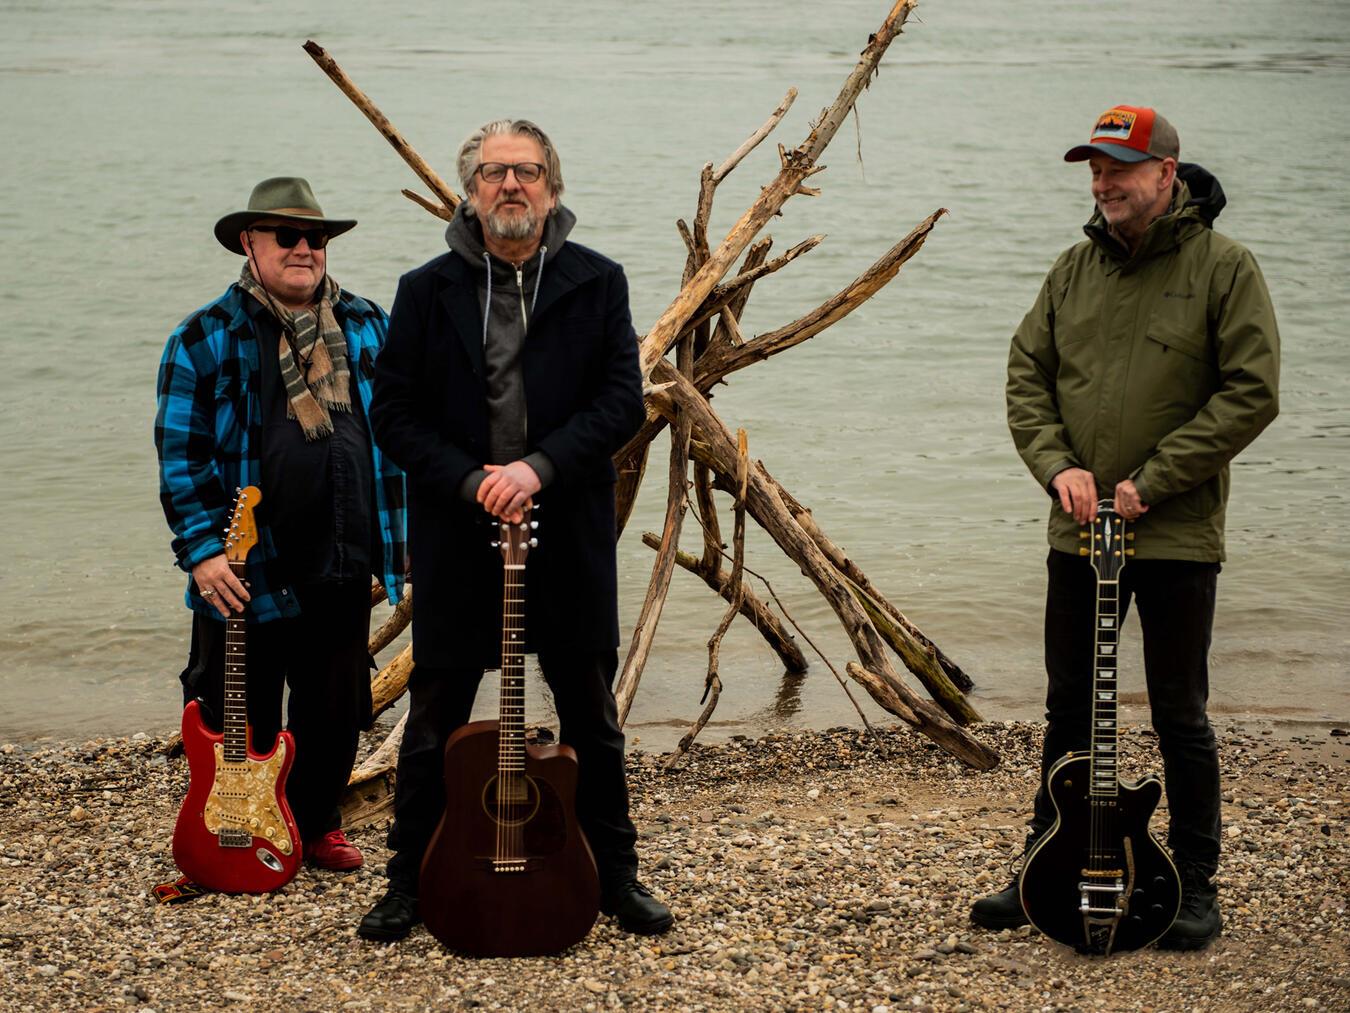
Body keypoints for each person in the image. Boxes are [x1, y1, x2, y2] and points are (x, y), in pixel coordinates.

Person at [358, 119, 672, 943]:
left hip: (564, 527)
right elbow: (391, 410)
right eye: (494, 173)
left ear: (552, 187)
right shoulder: (426, 289)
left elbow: (620, 402)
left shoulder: (596, 281)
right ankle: (407, 881)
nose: (510, 186)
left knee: (591, 717)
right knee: (433, 721)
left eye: (526, 171)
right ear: (469, 192)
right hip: (460, 534)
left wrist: (536, 468)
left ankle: (617, 878)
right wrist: (472, 481)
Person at [977, 105, 1280, 950]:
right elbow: (1026, 377)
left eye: (1119, 167)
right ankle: (1046, 858)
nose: (1103, 183)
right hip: (1078, 533)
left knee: (1180, 709)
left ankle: (1196, 882)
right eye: (1094, 170)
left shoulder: (1226, 269)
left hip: (1176, 535)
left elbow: (1251, 392)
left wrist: (1155, 479)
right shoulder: (1072, 270)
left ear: (1165, 175)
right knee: (1068, 707)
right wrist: (1056, 466)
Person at [155, 177, 406, 872]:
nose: (304, 248)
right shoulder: (204, 335)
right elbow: (181, 453)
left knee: (334, 707)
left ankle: (316, 821)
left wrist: (403, 548)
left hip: (343, 551)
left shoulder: (367, 323)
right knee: (240, 704)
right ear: (249, 242)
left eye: (315, 238)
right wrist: (204, 551)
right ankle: (241, 823)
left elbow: (400, 439)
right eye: (286, 236)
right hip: (243, 562)